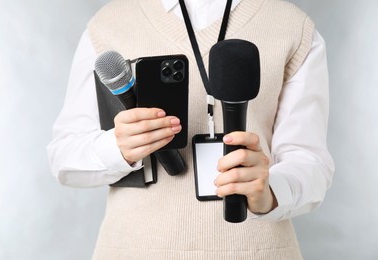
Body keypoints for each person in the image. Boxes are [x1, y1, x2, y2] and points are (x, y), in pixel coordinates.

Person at [47, 0, 335, 259]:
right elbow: (64, 157)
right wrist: (117, 148)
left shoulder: (293, 27)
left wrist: (271, 192)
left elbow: (309, 160)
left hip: (256, 250)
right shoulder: (107, 25)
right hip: (134, 249)